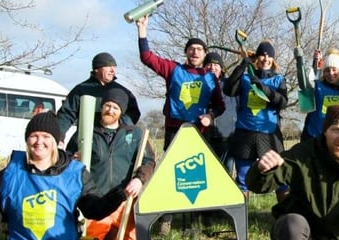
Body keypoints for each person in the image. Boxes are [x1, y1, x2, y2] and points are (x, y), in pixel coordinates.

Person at [0, 112, 126, 239]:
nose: (39, 141)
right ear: (27, 140)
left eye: (46, 136)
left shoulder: (76, 173)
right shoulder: (9, 173)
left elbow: (93, 210)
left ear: (55, 141)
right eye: (34, 136)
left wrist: (112, 199)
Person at [245, 104, 339, 239]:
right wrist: (261, 170)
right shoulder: (302, 154)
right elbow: (257, 186)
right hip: (300, 229)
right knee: (291, 225)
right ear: (325, 131)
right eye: (336, 130)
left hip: (337, 235)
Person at [66, 89, 157, 240]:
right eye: (107, 105)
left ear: (121, 112)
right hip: (95, 201)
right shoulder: (86, 132)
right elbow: (66, 159)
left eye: (116, 108)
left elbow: (149, 161)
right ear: (101, 107)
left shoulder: (134, 134)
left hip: (124, 199)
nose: (110, 110)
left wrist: (139, 180)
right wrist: (72, 160)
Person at [136, 15, 225, 150]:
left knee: (198, 171)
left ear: (205, 54)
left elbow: (220, 106)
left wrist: (210, 116)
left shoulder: (211, 78)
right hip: (174, 130)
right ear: (186, 52)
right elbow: (147, 57)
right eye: (191, 48)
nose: (195, 52)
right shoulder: (173, 69)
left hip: (199, 132)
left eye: (199, 49)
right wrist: (142, 29)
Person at [224, 39, 289, 200]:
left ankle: (285, 215)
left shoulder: (278, 80)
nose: (265, 59)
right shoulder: (246, 78)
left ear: (273, 60)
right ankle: (242, 219)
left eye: (269, 56)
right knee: (243, 179)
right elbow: (228, 89)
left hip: (269, 134)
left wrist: (264, 89)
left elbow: (283, 102)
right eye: (262, 55)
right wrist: (243, 64)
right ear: (257, 59)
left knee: (280, 177)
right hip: (245, 134)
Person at [57, 52, 141, 137]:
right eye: (108, 66)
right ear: (96, 69)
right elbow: (66, 115)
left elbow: (133, 114)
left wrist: (119, 127)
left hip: (115, 140)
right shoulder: (81, 90)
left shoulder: (123, 92)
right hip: (87, 139)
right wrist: (58, 136)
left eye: (114, 67)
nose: (112, 71)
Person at [301, 48, 339, 142]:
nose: (331, 73)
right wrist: (315, 62)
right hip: (313, 136)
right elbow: (306, 84)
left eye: (334, 70)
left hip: (334, 139)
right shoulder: (317, 86)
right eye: (327, 70)